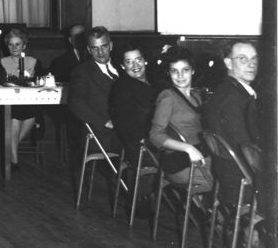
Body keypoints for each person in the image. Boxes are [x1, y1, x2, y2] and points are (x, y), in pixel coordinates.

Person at [149, 46, 213, 197]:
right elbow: (155, 136)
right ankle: (217, 218)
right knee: (226, 181)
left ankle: (217, 217)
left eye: (185, 70)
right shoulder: (168, 97)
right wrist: (188, 148)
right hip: (180, 163)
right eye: (174, 71)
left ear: (193, 71)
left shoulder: (197, 95)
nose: (180, 75)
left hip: (200, 157)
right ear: (168, 73)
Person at [203, 40, 261, 209]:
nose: (251, 65)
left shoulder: (228, 90)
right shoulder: (233, 99)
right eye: (243, 59)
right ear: (228, 63)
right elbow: (248, 148)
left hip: (228, 175)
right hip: (243, 181)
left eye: (254, 59)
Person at [108, 46, 158, 215]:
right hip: (140, 146)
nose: (135, 65)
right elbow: (127, 127)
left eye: (138, 59)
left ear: (145, 60)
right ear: (122, 66)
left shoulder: (153, 81)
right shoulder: (123, 88)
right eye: (128, 62)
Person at [0, 28, 43, 168]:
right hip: (8, 103)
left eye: (17, 44)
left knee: (31, 115)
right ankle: (14, 160)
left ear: (24, 46)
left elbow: (39, 83)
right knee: (15, 119)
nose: (14, 48)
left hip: (30, 102)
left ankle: (8, 151)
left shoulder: (35, 62)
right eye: (11, 44)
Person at [67, 25, 121, 155]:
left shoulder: (122, 66)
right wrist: (104, 122)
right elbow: (75, 103)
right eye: (95, 48)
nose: (100, 52)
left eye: (104, 46)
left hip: (129, 128)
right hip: (103, 134)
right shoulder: (81, 72)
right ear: (89, 50)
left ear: (111, 46)